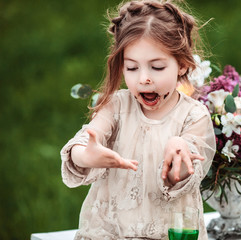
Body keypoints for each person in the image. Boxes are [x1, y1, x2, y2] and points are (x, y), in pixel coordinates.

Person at [60, 0, 216, 239]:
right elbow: (85, 142)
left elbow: (181, 178)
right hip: (110, 232)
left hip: (169, 232)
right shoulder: (117, 105)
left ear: (182, 65)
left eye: (157, 67)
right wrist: (87, 155)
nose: (143, 78)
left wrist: (179, 152)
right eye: (132, 68)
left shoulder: (194, 115)